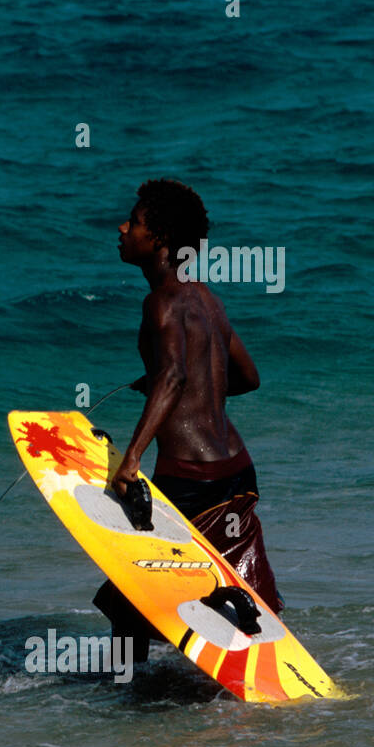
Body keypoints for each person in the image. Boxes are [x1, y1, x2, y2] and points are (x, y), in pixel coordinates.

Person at [96, 179, 282, 661]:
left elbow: (175, 374)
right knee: (228, 576)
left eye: (133, 222)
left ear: (157, 238)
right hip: (236, 469)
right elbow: (247, 377)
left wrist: (130, 460)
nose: (122, 227)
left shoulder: (160, 301)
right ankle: (228, 630)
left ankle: (129, 697)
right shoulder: (207, 300)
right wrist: (178, 384)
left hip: (190, 479)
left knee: (133, 595)